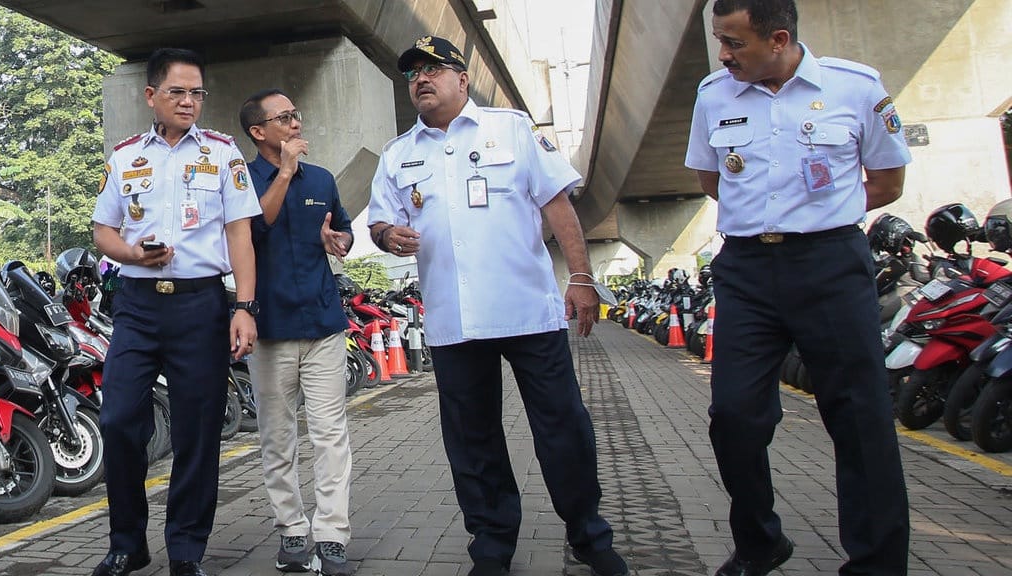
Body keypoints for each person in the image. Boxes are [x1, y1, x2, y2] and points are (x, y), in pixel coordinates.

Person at [367, 36, 628, 576]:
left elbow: (557, 205)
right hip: (453, 319)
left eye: (433, 69)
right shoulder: (397, 154)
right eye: (413, 72)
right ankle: (491, 544)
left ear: (463, 80)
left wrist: (581, 277)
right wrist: (388, 234)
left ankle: (589, 534)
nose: (421, 79)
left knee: (562, 428)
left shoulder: (512, 129)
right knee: (472, 439)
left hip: (527, 311)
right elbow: (379, 221)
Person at [684, 1, 910, 575]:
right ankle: (760, 542)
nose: (723, 55)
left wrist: (817, 213)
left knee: (860, 418)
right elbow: (712, 178)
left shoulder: (856, 88)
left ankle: (877, 564)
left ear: (779, 39)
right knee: (734, 415)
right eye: (719, 40)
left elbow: (887, 181)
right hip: (746, 270)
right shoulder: (713, 95)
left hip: (831, 265)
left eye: (735, 43)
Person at [91, 48, 262, 576]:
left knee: (197, 429)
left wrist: (244, 307)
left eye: (196, 93)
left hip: (200, 305)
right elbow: (103, 232)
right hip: (137, 306)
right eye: (177, 92)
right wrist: (131, 254)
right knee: (119, 421)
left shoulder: (223, 153)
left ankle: (186, 549)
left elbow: (240, 235)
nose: (189, 102)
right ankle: (127, 543)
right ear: (151, 95)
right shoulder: (125, 156)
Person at [238, 88, 354, 576]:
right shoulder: (240, 179)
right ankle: (290, 528)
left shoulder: (322, 178)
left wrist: (339, 240)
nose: (295, 124)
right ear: (258, 131)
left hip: (323, 324)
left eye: (295, 115)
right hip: (269, 329)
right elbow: (253, 231)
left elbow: (344, 229)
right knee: (277, 437)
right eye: (284, 118)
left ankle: (332, 535)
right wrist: (284, 172)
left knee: (330, 434)